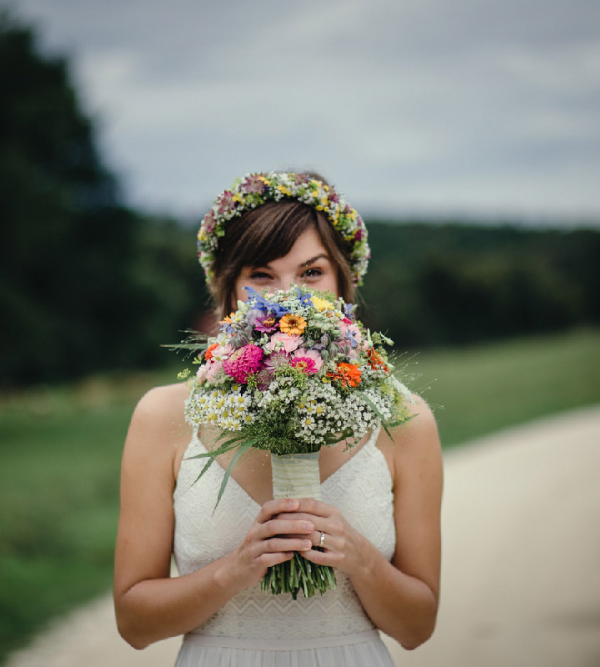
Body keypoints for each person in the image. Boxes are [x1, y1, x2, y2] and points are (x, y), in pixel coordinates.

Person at [113, 171, 443, 665]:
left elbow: (417, 627)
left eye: (311, 273)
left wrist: (358, 557)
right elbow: (134, 624)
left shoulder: (405, 419)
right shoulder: (163, 416)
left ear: (343, 284)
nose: (288, 294)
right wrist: (237, 569)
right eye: (261, 276)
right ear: (228, 291)